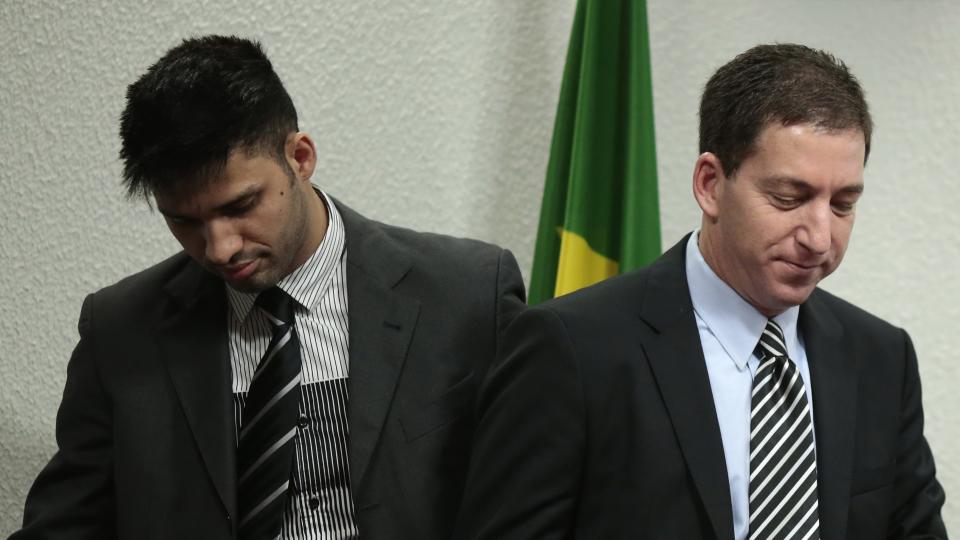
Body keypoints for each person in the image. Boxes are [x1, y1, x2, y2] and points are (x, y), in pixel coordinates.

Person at [11, 35, 525, 540]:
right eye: (184, 221)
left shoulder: (467, 294)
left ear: (299, 157)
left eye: (239, 207)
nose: (218, 248)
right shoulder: (121, 330)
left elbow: (530, 501)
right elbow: (67, 524)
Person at [454, 44, 947, 539]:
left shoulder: (882, 358)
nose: (819, 237)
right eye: (787, 198)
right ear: (710, 184)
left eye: (842, 205)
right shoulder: (572, 350)